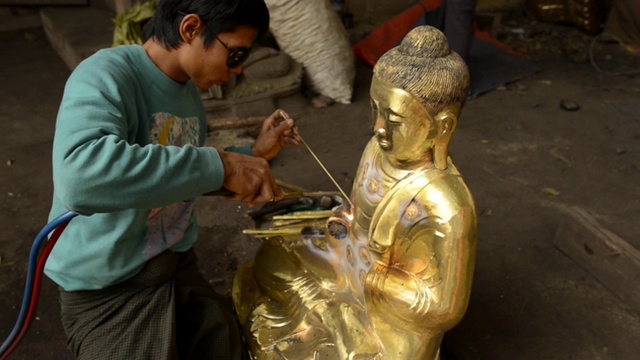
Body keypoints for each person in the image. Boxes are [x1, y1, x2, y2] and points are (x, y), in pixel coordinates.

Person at [43, 0, 300, 359]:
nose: (237, 70)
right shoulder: (106, 73)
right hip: (109, 288)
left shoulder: (187, 95)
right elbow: (81, 177)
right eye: (236, 55)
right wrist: (223, 166)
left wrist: (252, 154)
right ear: (191, 28)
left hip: (174, 267)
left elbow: (175, 169)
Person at [233, 25, 477, 360]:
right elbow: (355, 217)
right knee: (273, 257)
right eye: (375, 110)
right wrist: (342, 226)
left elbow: (442, 309)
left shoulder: (448, 204)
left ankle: (329, 324)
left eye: (393, 119)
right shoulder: (376, 150)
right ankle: (324, 315)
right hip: (346, 272)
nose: (378, 127)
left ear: (443, 126)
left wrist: (374, 275)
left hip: (389, 320)